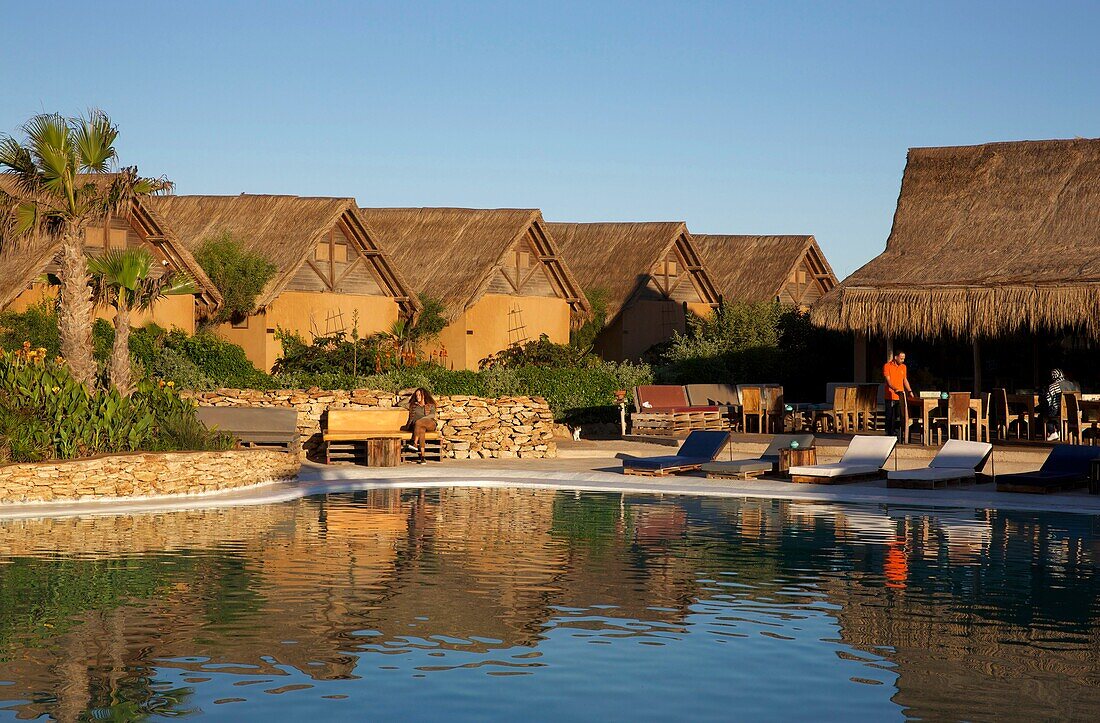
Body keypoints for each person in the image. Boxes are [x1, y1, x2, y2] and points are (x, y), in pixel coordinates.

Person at [883, 351, 913, 439]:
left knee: (899, 416)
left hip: (900, 396)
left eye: (904, 358)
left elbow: (905, 380)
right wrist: (894, 388)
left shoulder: (903, 367)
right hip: (890, 395)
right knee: (890, 415)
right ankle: (888, 434)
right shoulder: (887, 366)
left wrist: (910, 391)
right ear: (896, 357)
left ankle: (897, 434)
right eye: (901, 358)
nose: (902, 360)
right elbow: (888, 380)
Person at [403, 388, 437, 464]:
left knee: (419, 422)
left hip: (430, 424)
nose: (417, 397)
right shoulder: (413, 405)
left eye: (419, 395)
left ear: (424, 396)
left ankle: (414, 443)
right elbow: (400, 404)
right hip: (418, 428)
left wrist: (422, 419)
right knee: (421, 431)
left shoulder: (430, 405)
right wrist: (410, 397)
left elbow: (432, 415)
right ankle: (422, 457)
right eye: (416, 395)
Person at [1042, 368, 1077, 441]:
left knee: (1045, 414)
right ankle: (1060, 431)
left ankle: (1053, 432)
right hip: (1072, 410)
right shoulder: (1071, 384)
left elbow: (1048, 400)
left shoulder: (1052, 386)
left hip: (1058, 410)